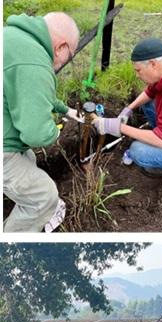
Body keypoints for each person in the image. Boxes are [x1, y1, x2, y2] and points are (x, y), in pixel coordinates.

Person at [3, 11, 82, 232]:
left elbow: (34, 92)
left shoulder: (15, 37)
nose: (68, 60)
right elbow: (36, 135)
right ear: (61, 47)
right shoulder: (36, 64)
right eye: (71, 55)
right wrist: (56, 132)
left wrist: (65, 110)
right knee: (45, 197)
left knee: (28, 157)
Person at [94, 38, 162, 175]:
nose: (137, 76)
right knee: (147, 102)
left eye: (138, 70)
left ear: (153, 64)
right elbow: (150, 92)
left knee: (138, 151)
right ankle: (156, 133)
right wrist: (129, 109)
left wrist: (118, 127)